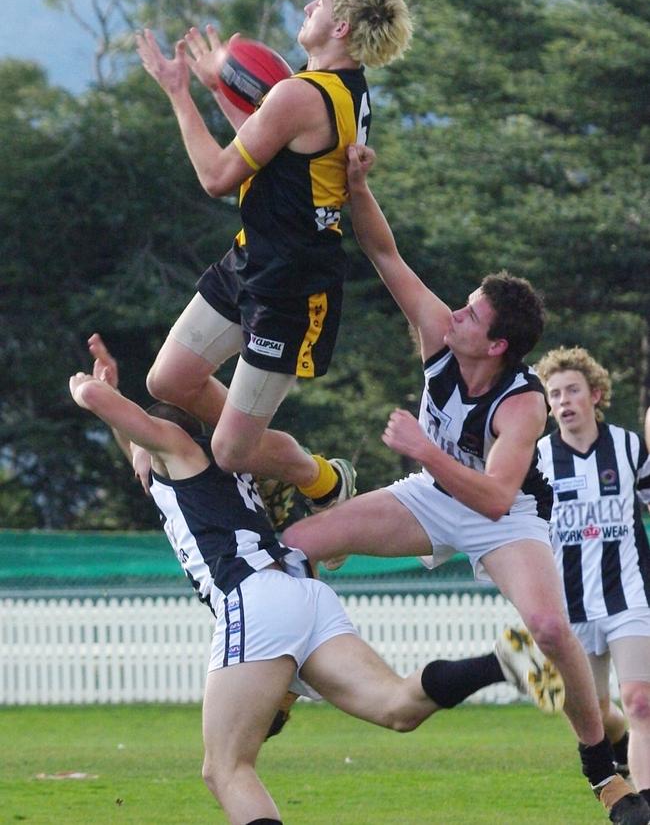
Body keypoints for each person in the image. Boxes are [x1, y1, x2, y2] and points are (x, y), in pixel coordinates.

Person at [281, 146, 650, 824]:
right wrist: (359, 184)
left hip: (505, 517)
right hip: (432, 494)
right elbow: (385, 254)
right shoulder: (440, 334)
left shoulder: (522, 402)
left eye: (473, 316)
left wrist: (423, 445)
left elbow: (495, 497)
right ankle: (286, 681)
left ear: (498, 346)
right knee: (294, 543)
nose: (456, 314)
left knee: (546, 625)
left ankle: (603, 770)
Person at [70, 334, 563, 825]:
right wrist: (114, 402)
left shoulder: (181, 450)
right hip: (300, 590)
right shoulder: (174, 469)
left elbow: (115, 414)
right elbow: (137, 446)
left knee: (224, 769)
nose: (140, 450)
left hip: (255, 595)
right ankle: (499, 663)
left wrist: (89, 391)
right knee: (397, 708)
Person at [135, 0, 413, 516]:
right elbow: (270, 148)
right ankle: (264, 450)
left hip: (291, 288)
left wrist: (179, 92)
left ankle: (324, 481)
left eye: (322, 1)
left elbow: (217, 176)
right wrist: (221, 85)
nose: (310, 6)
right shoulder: (344, 91)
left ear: (341, 27)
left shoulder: (299, 95)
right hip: (252, 260)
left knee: (231, 451)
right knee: (168, 380)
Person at [535, 345, 650, 800]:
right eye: (554, 393)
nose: (563, 401)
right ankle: (618, 743)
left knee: (641, 701)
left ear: (595, 395)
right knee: (596, 713)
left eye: (572, 391)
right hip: (570, 606)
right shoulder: (537, 457)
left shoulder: (628, 447)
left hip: (629, 596)